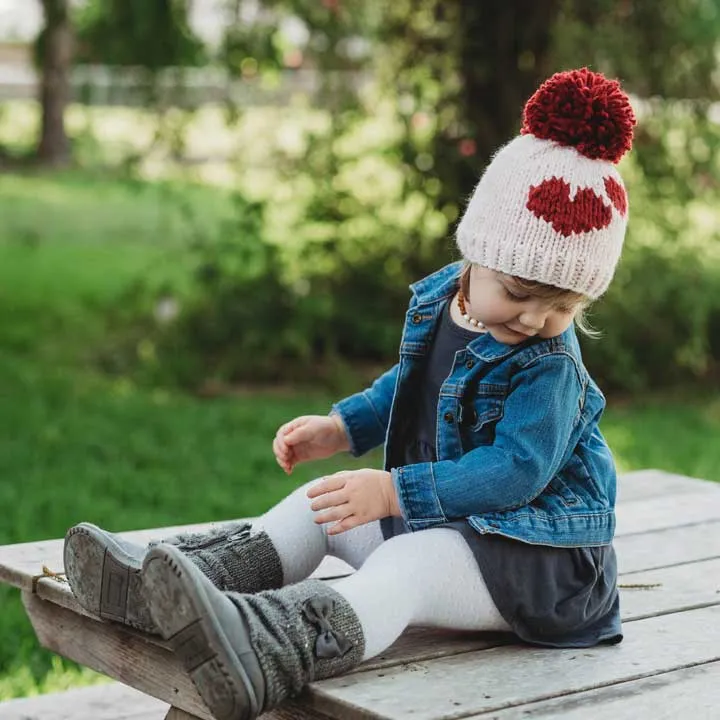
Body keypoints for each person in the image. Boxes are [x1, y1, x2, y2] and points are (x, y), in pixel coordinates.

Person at [64, 67, 636, 720]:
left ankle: (268, 649)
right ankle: (178, 589)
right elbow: (411, 388)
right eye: (520, 294)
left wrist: (395, 492)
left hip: (537, 564)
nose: (535, 320)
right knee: (322, 506)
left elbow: (517, 470)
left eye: (563, 306)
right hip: (452, 523)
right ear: (477, 252)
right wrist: (343, 428)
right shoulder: (444, 303)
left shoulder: (548, 366)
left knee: (408, 569)